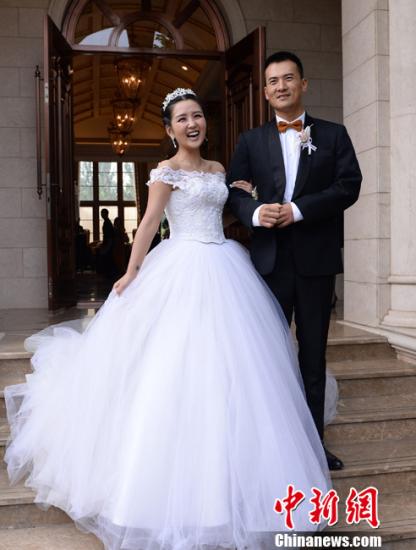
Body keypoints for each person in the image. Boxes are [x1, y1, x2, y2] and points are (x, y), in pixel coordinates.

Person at [4, 88, 332, 550]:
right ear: (169, 128)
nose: (192, 124)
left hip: (224, 265)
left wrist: (247, 197)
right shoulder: (165, 171)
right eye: (182, 119)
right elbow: (147, 223)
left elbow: (227, 211)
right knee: (174, 365)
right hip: (180, 265)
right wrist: (132, 270)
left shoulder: (218, 170)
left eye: (197, 116)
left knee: (233, 368)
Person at [227, 51, 362, 471]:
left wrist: (298, 210)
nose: (281, 86)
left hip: (316, 263)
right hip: (268, 264)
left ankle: (314, 447)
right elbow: (234, 192)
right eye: (273, 81)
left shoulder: (334, 135)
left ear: (303, 84)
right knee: (266, 356)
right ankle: (267, 449)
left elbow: (349, 185)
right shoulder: (251, 140)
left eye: (288, 78)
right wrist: (255, 212)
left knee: (313, 358)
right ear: (265, 93)